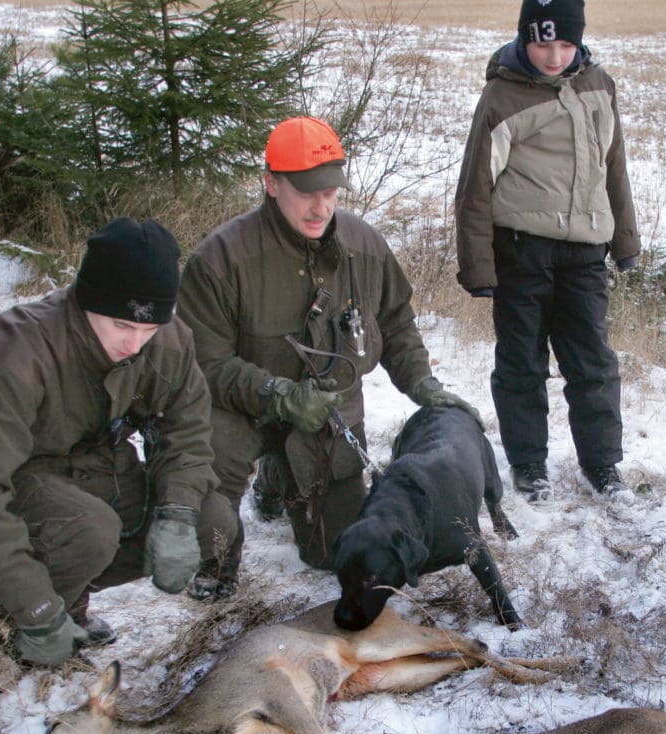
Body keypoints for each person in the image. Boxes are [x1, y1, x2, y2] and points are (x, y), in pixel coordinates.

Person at [178, 116, 479, 598]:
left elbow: (397, 323)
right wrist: (277, 395)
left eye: (331, 192)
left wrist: (424, 385)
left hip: (325, 420)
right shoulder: (219, 260)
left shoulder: (365, 246)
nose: (321, 207)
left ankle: (278, 478)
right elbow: (204, 362)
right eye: (306, 192)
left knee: (331, 553)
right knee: (204, 483)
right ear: (271, 183)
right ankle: (218, 562)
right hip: (239, 410)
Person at [0, 218, 219, 666]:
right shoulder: (14, 351)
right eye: (121, 325)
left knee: (210, 522)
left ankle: (68, 595)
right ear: (86, 302)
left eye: (150, 329)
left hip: (90, 460)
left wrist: (177, 512)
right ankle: (22, 618)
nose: (135, 344)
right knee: (88, 531)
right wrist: (35, 608)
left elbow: (188, 435)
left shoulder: (167, 341)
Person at [455, 0, 640, 501]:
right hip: (521, 249)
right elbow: (475, 185)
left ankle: (603, 467)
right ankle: (529, 465)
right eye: (542, 43)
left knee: (593, 363)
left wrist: (624, 240)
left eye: (566, 43)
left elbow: (614, 165)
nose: (555, 55)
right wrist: (479, 266)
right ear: (523, 38)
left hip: (585, 251)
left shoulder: (599, 84)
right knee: (521, 362)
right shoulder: (501, 96)